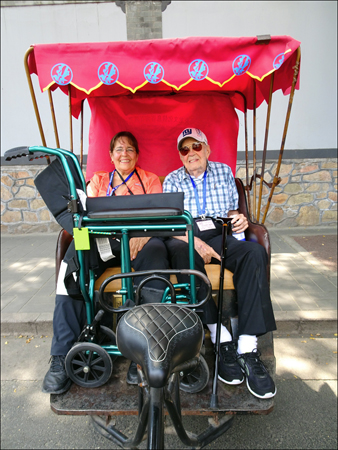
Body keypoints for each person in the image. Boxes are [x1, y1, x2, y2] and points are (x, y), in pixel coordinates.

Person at [42, 131, 170, 395]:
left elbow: (161, 213)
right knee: (72, 268)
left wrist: (142, 235)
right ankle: (60, 357)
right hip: (106, 242)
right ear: (111, 156)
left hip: (141, 241)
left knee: (157, 254)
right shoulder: (99, 180)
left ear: (137, 155)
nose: (124, 154)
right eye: (119, 149)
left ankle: (146, 355)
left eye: (130, 149)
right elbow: (87, 214)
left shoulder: (149, 179)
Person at [162, 127, 277, 399]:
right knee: (185, 257)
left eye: (196, 147)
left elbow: (232, 211)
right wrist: (192, 241)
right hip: (185, 235)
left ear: (207, 149)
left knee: (254, 254)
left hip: (219, 231)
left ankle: (248, 347)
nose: (191, 154)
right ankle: (220, 336)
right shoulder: (172, 180)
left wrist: (240, 220)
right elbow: (168, 224)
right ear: (180, 156)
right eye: (185, 149)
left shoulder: (224, 172)